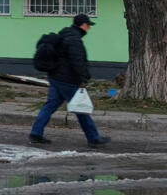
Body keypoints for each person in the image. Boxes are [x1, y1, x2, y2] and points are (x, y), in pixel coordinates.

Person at [29, 13, 111, 147]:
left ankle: (36, 133)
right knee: (81, 108)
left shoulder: (65, 35)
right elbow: (77, 62)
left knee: (50, 105)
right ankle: (93, 138)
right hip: (67, 80)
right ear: (82, 25)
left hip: (55, 77)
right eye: (87, 26)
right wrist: (85, 78)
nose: (89, 29)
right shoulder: (74, 40)